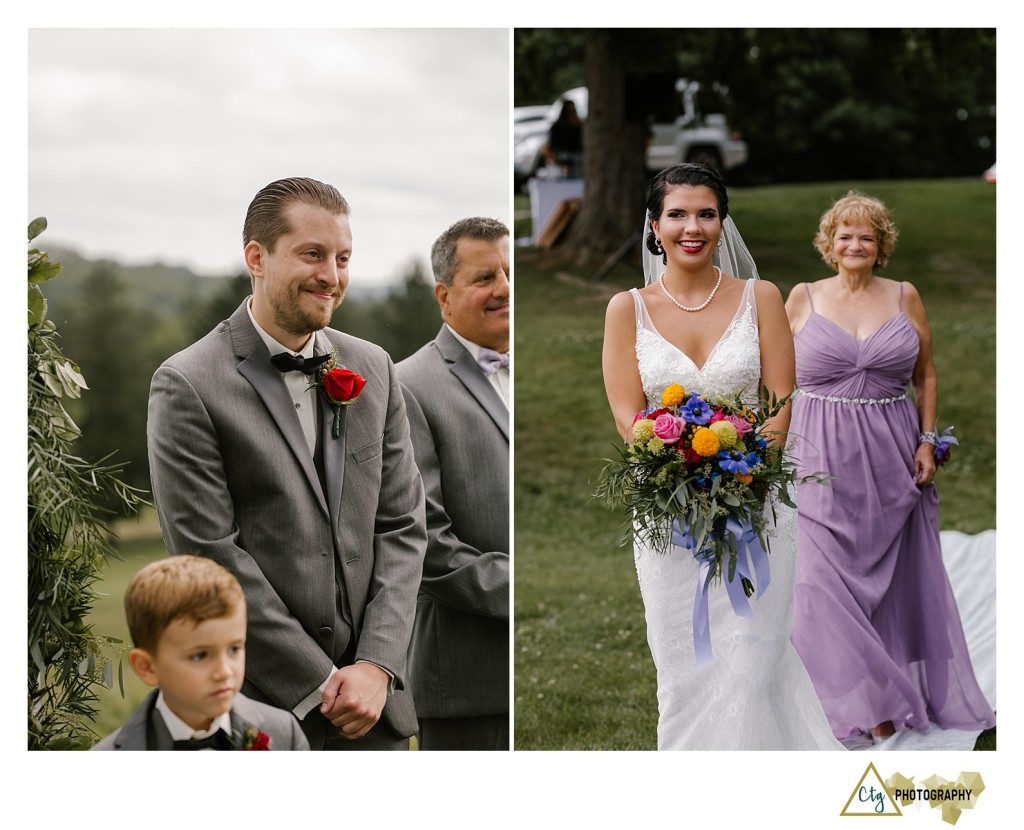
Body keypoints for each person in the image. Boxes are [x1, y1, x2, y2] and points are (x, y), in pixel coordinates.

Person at [147, 177, 427, 751]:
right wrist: (320, 684)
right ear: (257, 258)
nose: (332, 276)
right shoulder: (187, 384)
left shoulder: (374, 367)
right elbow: (210, 556)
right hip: (261, 709)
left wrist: (376, 665)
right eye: (312, 254)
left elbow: (402, 525)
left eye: (343, 258)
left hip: (375, 712)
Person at [601, 163, 842, 750]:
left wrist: (752, 475)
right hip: (668, 515)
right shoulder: (626, 308)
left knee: (751, 661)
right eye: (677, 214)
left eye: (706, 214)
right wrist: (676, 475)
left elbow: (780, 397)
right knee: (682, 667)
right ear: (654, 226)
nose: (692, 227)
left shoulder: (761, 297)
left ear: (722, 223)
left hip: (757, 503)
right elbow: (629, 415)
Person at [785, 191, 996, 742]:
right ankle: (867, 702)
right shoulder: (802, 297)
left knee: (887, 581)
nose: (855, 244)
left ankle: (881, 690)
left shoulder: (905, 296)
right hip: (816, 457)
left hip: (891, 455)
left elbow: (925, 374)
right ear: (829, 244)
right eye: (845, 235)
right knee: (816, 579)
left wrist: (927, 440)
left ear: (881, 246)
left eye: (867, 236)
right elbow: (775, 379)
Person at [396, 217, 509, 750]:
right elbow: (423, 539)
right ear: (444, 296)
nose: (505, 288)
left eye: (510, 274)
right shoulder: (408, 386)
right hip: (468, 677)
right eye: (485, 277)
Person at [92, 556, 309, 750]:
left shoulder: (283, 734)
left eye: (234, 649)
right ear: (147, 667)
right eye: (200, 656)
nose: (224, 672)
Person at [541, 99, 583, 178]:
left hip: (578, 160)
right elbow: (549, 148)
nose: (570, 114)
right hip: (560, 160)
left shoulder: (580, 126)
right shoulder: (557, 127)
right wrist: (559, 161)